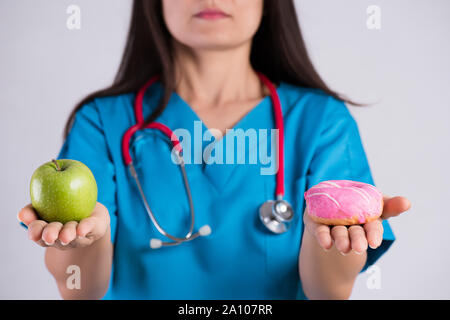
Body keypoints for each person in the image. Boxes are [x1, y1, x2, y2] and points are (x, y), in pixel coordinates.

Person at [18, 0, 410, 300]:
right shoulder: (103, 122)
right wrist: (83, 241)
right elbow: (80, 290)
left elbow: (328, 293)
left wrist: (331, 239)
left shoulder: (320, 120)